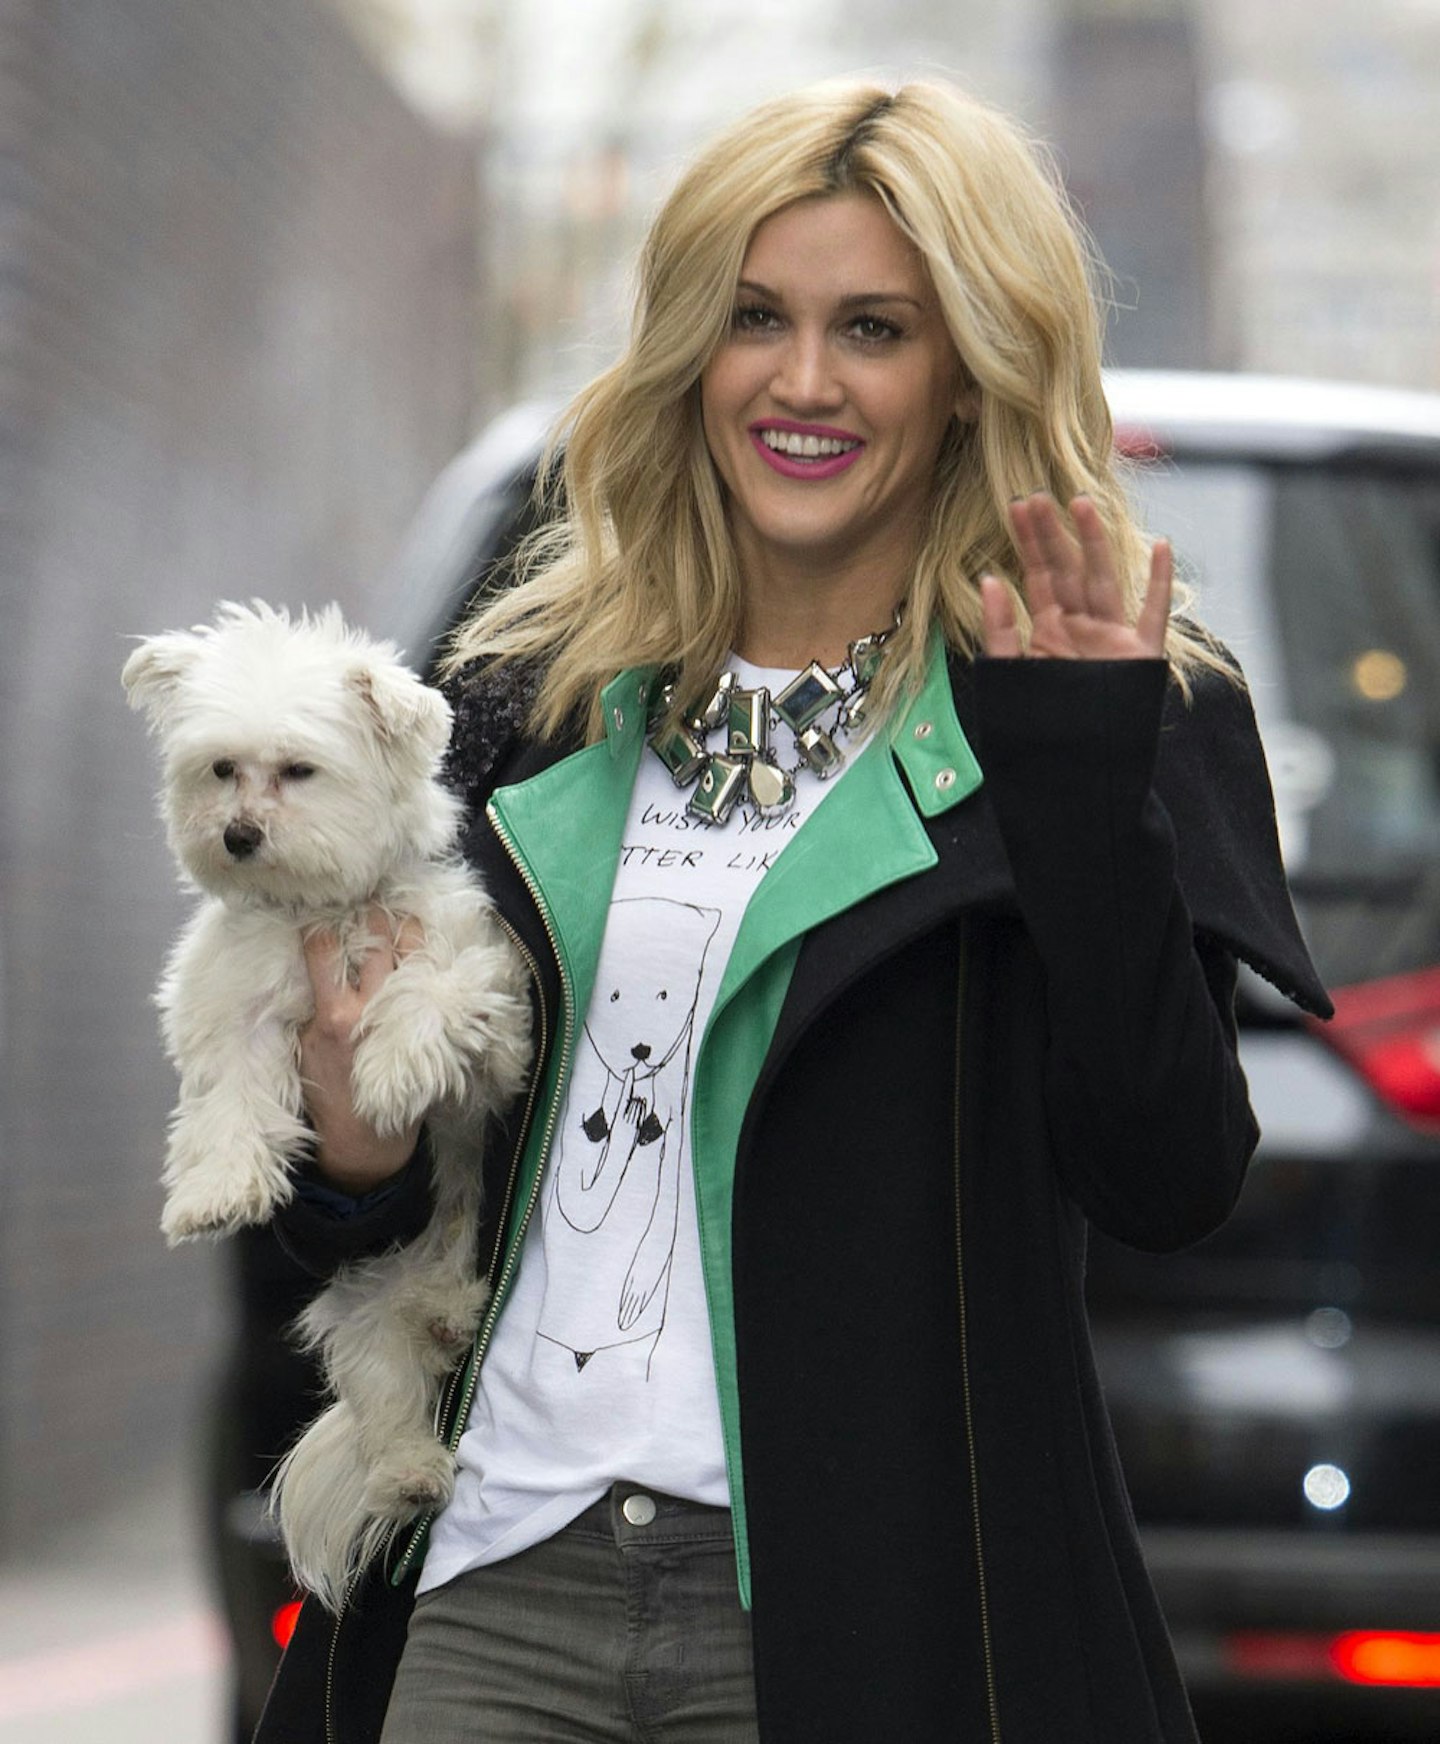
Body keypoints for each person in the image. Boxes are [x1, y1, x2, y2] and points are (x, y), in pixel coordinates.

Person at [256, 77, 1329, 1744]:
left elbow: (1169, 1174)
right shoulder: (523, 703)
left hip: (860, 1616)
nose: (804, 382)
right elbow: (364, 1211)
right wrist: (357, 1161)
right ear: (695, 348)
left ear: (969, 371)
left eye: (875, 329)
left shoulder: (1093, 711)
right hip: (494, 1575)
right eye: (758, 318)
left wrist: (1082, 789)